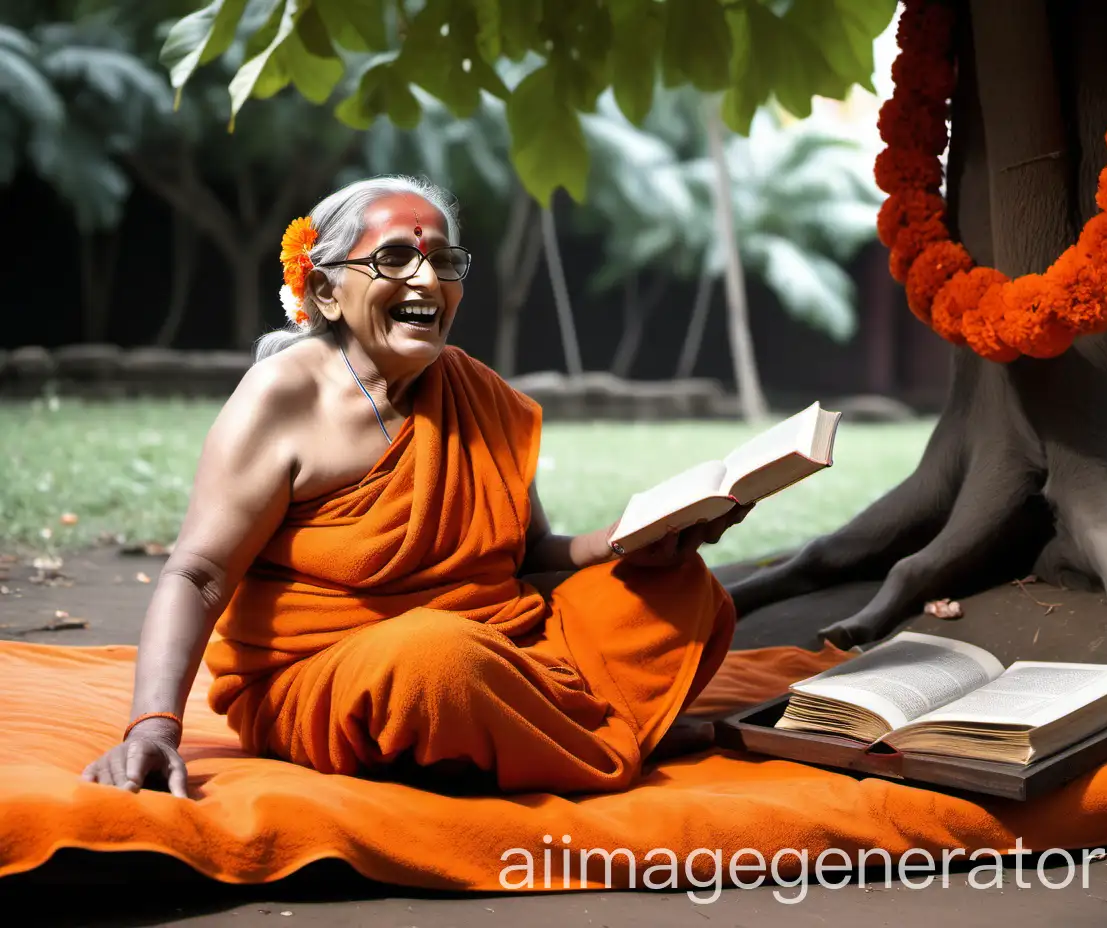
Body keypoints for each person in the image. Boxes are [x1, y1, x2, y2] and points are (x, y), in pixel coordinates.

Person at [80, 174, 748, 799]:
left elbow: (527, 556)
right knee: (436, 661)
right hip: (333, 678)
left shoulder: (476, 390)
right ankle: (603, 731)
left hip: (496, 645)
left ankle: (521, 734)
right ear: (324, 292)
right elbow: (197, 574)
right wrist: (153, 725)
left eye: (444, 262)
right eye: (394, 258)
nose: (427, 278)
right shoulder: (282, 397)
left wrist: (626, 543)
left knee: (680, 593)